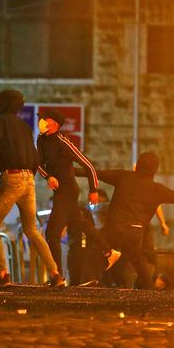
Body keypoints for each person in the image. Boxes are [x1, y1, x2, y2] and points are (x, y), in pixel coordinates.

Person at [0, 89, 64, 287]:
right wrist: (28, 178)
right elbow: (35, 156)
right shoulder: (24, 126)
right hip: (29, 181)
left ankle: (2, 275)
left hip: (12, 179)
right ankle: (56, 274)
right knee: (32, 229)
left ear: (4, 103)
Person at [80, 152, 174, 289]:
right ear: (155, 170)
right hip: (135, 232)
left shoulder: (124, 176)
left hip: (114, 228)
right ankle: (149, 289)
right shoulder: (156, 189)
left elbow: (95, 173)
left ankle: (92, 279)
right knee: (138, 261)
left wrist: (67, 171)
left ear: (138, 165)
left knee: (95, 250)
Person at [36, 108, 120, 278]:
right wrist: (49, 176)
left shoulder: (63, 141)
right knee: (81, 223)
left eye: (44, 119)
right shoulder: (41, 139)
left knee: (52, 233)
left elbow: (88, 166)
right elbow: (37, 163)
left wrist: (93, 190)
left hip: (68, 191)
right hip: (59, 190)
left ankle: (56, 276)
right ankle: (109, 252)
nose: (41, 121)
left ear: (54, 124)